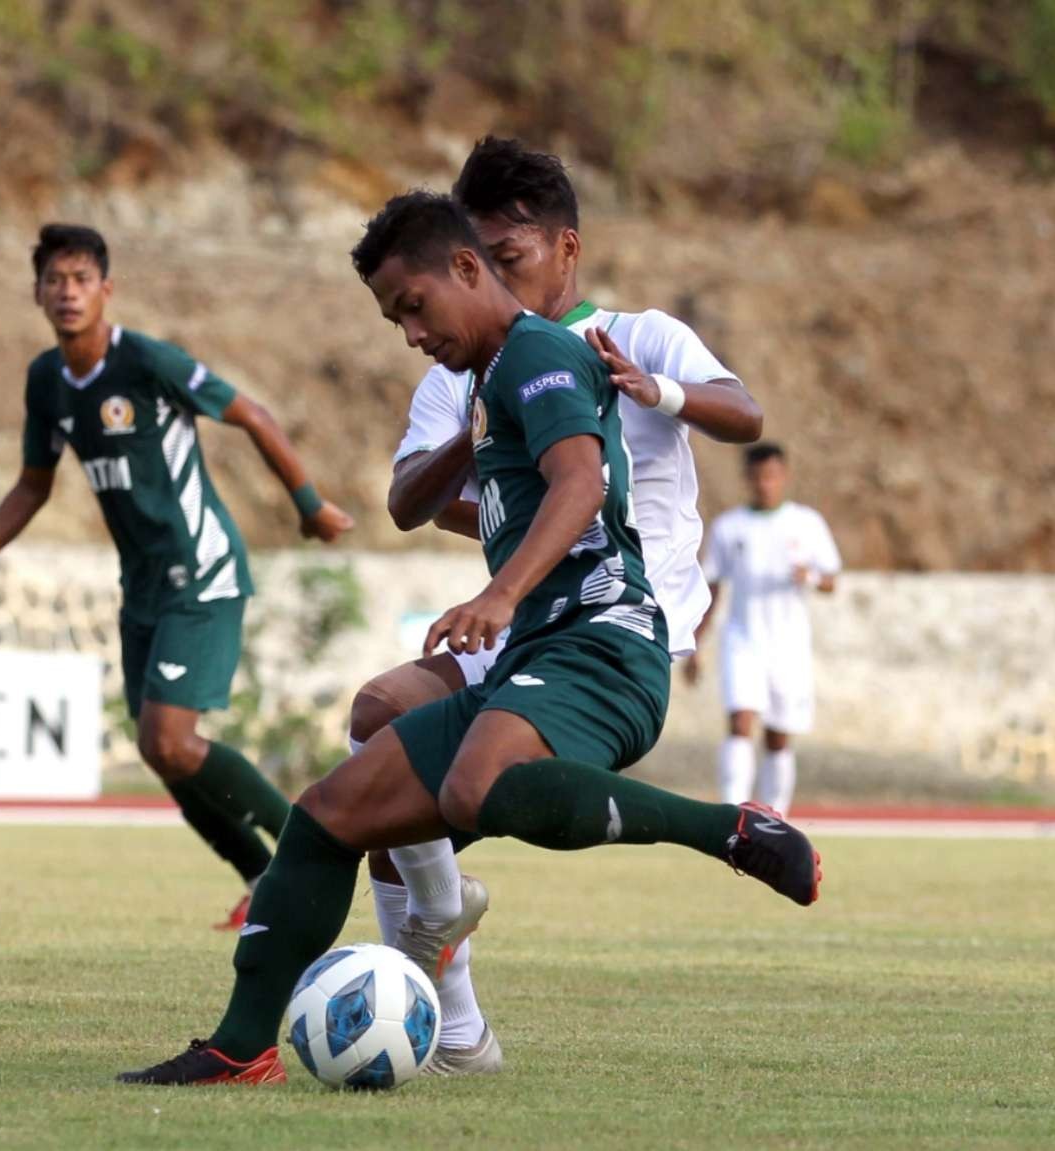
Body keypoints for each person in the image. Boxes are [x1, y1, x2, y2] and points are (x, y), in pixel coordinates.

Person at [118, 191, 820, 1087]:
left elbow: (580, 482)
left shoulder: (537, 353)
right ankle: (241, 1045)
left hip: (604, 641)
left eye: (413, 307)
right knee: (328, 815)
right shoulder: (490, 382)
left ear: (465, 269)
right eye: (391, 318)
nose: (409, 333)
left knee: (476, 785)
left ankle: (726, 828)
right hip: (538, 649)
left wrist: (500, 591)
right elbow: (422, 499)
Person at [350, 138, 765, 1076]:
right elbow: (411, 499)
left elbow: (745, 412)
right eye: (477, 258)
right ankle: (456, 1029)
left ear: (566, 250)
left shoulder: (639, 333)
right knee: (379, 738)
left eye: (512, 257)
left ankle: (440, 975)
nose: (492, 277)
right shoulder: (457, 367)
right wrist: (477, 428)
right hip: (524, 618)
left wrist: (653, 389)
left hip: (617, 623)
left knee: (414, 794)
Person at [0, 224, 354, 928]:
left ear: (106, 290)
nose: (68, 292)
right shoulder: (47, 380)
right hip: (142, 586)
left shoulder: (147, 361)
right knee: (160, 750)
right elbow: (31, 485)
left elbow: (254, 415)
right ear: (37, 293)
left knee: (170, 740)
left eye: (82, 278)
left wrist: (309, 505)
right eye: (55, 280)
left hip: (200, 572)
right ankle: (265, 879)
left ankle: (311, 850)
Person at [693, 443, 841, 816]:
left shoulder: (805, 523)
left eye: (772, 476)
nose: (765, 484)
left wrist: (810, 577)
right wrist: (695, 643)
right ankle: (731, 815)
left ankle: (777, 817)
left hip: (788, 645)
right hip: (743, 639)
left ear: (784, 476)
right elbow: (712, 588)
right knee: (740, 721)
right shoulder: (730, 528)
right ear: (747, 479)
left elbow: (831, 581)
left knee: (778, 735)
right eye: (758, 477)